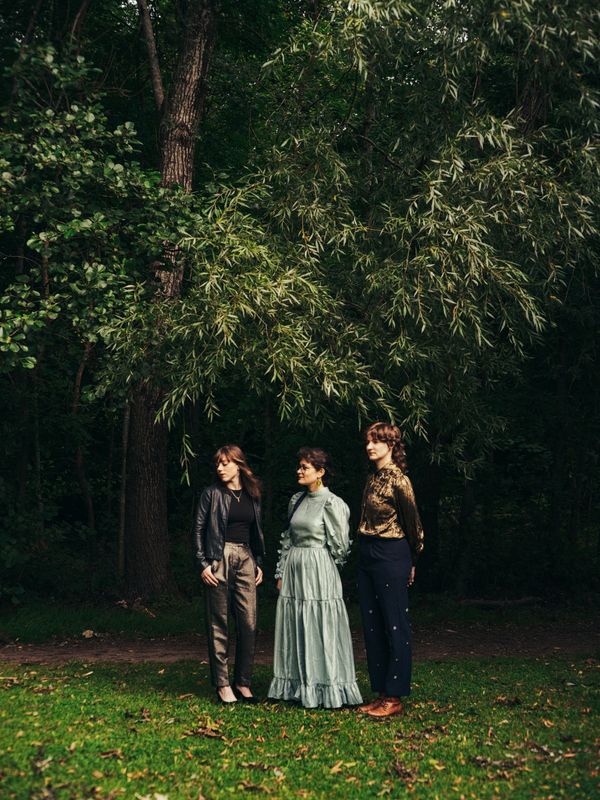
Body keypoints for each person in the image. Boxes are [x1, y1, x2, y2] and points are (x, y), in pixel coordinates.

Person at [268, 447, 362, 709]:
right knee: (297, 623)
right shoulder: (296, 500)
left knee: (320, 625)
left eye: (305, 467)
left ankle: (326, 686)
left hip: (319, 568)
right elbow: (287, 538)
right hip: (295, 568)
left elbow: (340, 546)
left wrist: (325, 568)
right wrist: (281, 571)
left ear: (320, 472)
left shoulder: (333, 503)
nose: (299, 471)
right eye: (299, 466)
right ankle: (298, 685)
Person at [357, 422, 424, 719]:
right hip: (367, 552)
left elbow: (414, 525)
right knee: (373, 624)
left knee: (395, 624)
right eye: (368, 441)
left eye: (376, 441)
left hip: (392, 553)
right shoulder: (372, 478)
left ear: (391, 445)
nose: (369, 446)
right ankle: (382, 692)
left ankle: (395, 696)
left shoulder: (400, 480)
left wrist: (411, 559)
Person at [194, 445, 265, 704]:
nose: (220, 468)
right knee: (219, 622)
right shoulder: (211, 494)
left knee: (249, 623)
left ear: (239, 465)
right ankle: (223, 685)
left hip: (246, 557)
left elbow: (256, 531)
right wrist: (203, 564)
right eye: (217, 464)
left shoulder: (252, 494)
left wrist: (258, 561)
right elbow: (198, 529)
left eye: (225, 463)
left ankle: (243, 682)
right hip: (218, 557)